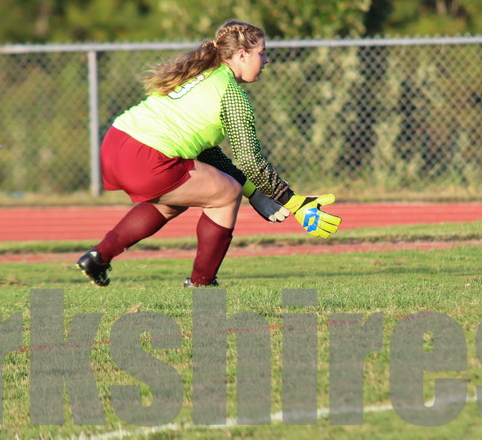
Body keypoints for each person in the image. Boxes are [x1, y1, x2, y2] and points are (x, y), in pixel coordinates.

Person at [76, 19, 341, 287]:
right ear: (242, 55)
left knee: (171, 204)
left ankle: (98, 257)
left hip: (116, 143)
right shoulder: (232, 95)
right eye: (262, 53)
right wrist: (293, 202)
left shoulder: (202, 74)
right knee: (227, 194)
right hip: (147, 156)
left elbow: (208, 154)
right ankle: (202, 283)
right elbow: (250, 160)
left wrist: (254, 192)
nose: (266, 60)